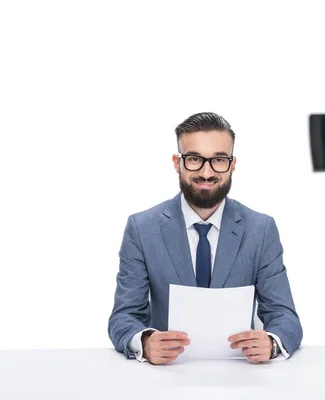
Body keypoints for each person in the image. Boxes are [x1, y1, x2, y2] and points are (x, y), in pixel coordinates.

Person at [107, 112, 303, 365]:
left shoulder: (261, 229)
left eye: (219, 160)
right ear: (177, 163)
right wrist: (144, 343)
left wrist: (272, 343)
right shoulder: (142, 228)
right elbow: (123, 316)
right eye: (194, 159)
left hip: (242, 375)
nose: (207, 172)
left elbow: (284, 316)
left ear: (232, 165)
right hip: (163, 377)